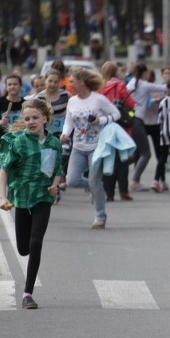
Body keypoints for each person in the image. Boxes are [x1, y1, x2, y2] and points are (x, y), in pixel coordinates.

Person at [0, 98, 63, 309]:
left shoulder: (54, 143)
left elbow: (58, 170)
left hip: (43, 196)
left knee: (36, 243)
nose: (31, 122)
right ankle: (27, 282)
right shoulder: (19, 142)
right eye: (27, 118)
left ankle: (27, 293)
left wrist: (54, 185)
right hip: (23, 196)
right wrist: (3, 197)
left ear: (45, 118)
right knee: (23, 248)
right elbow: (4, 170)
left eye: (35, 118)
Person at [61, 67, 121, 228]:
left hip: (96, 146)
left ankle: (100, 217)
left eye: (72, 81)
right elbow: (69, 121)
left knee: (95, 182)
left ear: (81, 82)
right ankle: (94, 187)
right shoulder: (72, 101)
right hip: (78, 147)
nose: (69, 84)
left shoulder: (98, 99)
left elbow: (117, 114)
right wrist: (65, 133)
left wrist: (100, 121)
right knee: (71, 180)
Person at [126, 62, 167, 192]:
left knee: (137, 153)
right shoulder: (145, 85)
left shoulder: (130, 83)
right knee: (146, 154)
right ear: (145, 73)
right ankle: (134, 181)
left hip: (130, 119)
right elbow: (165, 88)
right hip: (138, 121)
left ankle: (117, 167)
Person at [99, 61, 137, 201]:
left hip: (104, 126)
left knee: (106, 158)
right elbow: (131, 104)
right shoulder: (119, 85)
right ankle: (123, 191)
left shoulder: (98, 86)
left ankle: (108, 193)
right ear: (115, 72)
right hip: (120, 127)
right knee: (122, 160)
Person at [0, 74, 25, 177]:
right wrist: (0, 122)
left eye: (15, 84)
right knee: (3, 174)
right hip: (3, 144)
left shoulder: (26, 104)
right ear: (6, 87)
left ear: (20, 86)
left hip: (21, 144)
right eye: (9, 84)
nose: (12, 86)